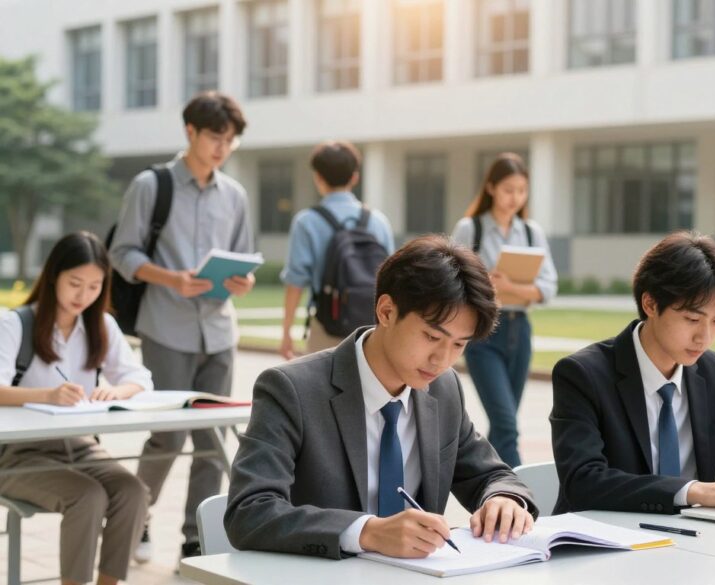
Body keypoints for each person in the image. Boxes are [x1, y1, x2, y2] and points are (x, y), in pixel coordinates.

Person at [226, 235, 537, 559]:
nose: (442, 359)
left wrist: (503, 499)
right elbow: (249, 511)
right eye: (432, 336)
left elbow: (491, 474)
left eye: (459, 344)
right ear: (386, 311)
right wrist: (366, 532)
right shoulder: (291, 390)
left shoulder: (444, 389)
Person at [550, 231, 715, 515]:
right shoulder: (582, 375)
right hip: (605, 541)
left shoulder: (709, 370)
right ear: (650, 304)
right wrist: (692, 491)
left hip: (691, 539)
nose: (704, 337)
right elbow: (584, 482)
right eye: (692, 319)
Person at [108, 91, 254, 561]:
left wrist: (242, 281)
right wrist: (171, 278)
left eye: (230, 140)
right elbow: (122, 253)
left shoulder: (235, 195)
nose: (222, 148)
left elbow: (244, 262)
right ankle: (136, 513)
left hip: (219, 330)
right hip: (166, 327)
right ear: (190, 132)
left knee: (211, 437)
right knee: (168, 434)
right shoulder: (151, 185)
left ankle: (197, 537)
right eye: (215, 136)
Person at [0, 231, 152, 585]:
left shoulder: (101, 326)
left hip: (79, 444)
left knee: (132, 491)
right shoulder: (15, 324)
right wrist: (46, 395)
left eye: (94, 286)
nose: (83, 296)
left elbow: (141, 379)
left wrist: (115, 390)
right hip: (16, 453)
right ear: (53, 276)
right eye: (75, 283)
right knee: (86, 496)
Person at [451, 153, 557, 468]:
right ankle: (522, 497)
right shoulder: (471, 229)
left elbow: (548, 288)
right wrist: (488, 283)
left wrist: (510, 286)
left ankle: (492, 495)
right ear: (492, 188)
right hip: (486, 333)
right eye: (509, 189)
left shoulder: (530, 232)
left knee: (502, 425)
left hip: (520, 331)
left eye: (522, 190)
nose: (515, 198)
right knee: (507, 423)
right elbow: (452, 279)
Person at [279, 141, 394, 359]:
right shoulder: (378, 221)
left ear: (318, 178)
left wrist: (286, 332)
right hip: (371, 328)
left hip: (326, 324)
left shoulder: (307, 222)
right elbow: (392, 279)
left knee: (321, 390)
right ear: (354, 177)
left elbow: (295, 281)